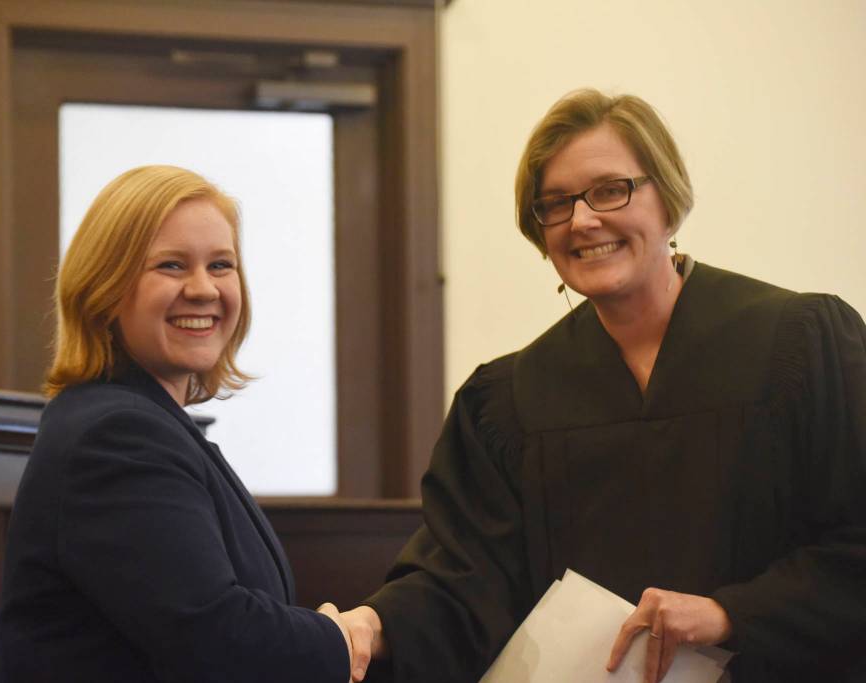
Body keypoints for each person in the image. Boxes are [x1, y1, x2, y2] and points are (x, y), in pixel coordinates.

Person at [339, 90, 866, 682]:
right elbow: (464, 584)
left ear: (667, 198)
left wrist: (729, 615)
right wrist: (371, 625)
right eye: (555, 204)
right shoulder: (509, 402)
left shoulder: (799, 346)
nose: (582, 220)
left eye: (610, 190)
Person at [0, 165, 354, 682]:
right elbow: (218, 636)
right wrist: (345, 639)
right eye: (171, 265)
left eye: (221, 265)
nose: (204, 289)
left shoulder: (148, 422)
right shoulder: (116, 437)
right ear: (105, 286)